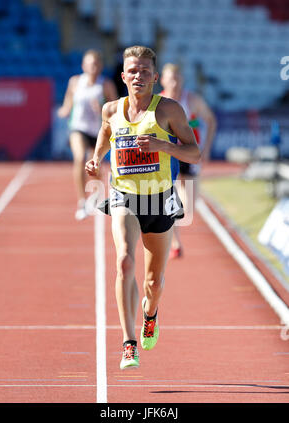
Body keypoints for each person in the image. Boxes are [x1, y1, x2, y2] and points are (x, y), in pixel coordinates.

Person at [85, 46, 200, 370]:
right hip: (124, 196)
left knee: (154, 282)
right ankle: (128, 343)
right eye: (132, 71)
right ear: (123, 76)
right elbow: (105, 137)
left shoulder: (169, 110)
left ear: (153, 76)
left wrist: (163, 145)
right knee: (123, 261)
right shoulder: (111, 109)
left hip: (160, 200)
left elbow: (195, 153)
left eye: (145, 71)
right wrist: (96, 160)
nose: (138, 76)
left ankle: (151, 315)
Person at [160, 63, 217, 258]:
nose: (174, 82)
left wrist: (207, 148)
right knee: (170, 198)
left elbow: (210, 120)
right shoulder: (158, 102)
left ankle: (175, 227)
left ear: (182, 80)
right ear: (162, 80)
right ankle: (175, 241)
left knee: (189, 207)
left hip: (191, 154)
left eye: (177, 78)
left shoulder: (192, 100)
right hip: (168, 155)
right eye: (170, 78)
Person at [58, 49, 117, 220]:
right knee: (79, 157)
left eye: (97, 63)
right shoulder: (75, 82)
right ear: (84, 65)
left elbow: (115, 110)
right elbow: (68, 102)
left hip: (98, 131)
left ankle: (95, 194)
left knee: (95, 166)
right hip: (78, 128)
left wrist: (101, 110)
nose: (93, 67)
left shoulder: (105, 84)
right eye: (90, 63)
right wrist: (64, 110)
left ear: (101, 66)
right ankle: (81, 201)